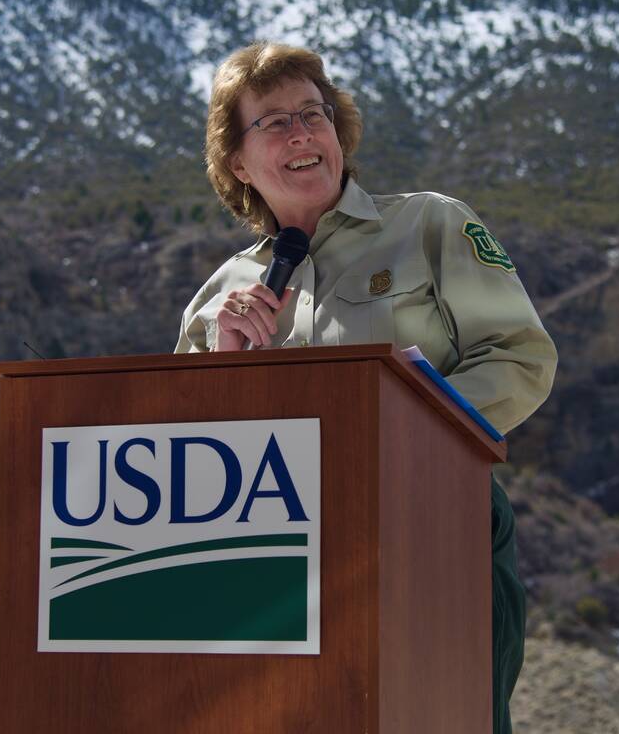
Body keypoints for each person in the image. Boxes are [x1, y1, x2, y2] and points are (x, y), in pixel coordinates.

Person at [174, 41, 557, 734]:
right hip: (274, 564)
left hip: (432, 526)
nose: (301, 133)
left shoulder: (429, 225)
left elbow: (521, 358)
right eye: (274, 122)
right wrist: (225, 371)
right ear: (237, 161)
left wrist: (408, 434)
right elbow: (183, 461)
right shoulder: (218, 298)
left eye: (312, 113)